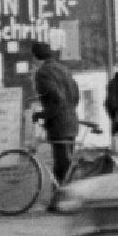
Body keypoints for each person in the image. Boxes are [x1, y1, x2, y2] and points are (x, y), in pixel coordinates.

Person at [30, 40, 80, 197]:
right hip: (71, 121)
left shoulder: (43, 73)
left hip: (59, 124)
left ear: (36, 58)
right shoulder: (64, 69)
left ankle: (62, 199)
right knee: (65, 163)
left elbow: (56, 99)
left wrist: (42, 115)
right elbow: (76, 95)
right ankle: (62, 197)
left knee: (61, 164)